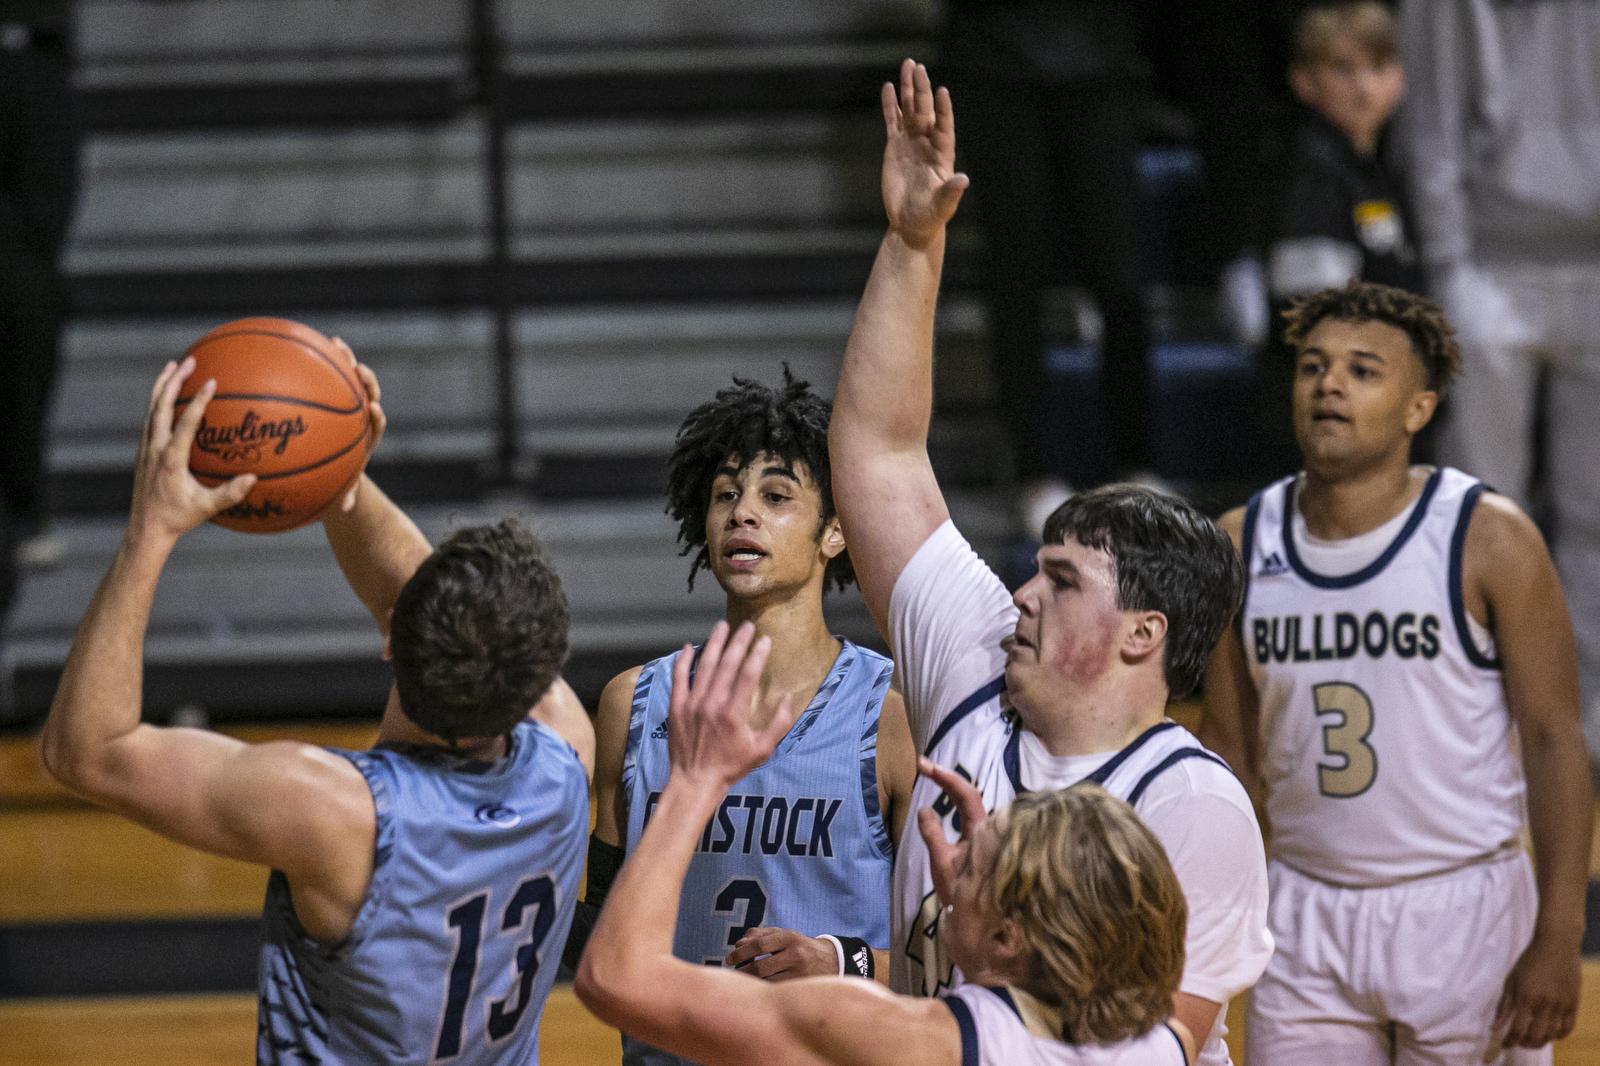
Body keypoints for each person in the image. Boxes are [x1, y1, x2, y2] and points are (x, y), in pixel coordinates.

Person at [828, 61, 1272, 1066]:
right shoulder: (976, 662)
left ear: (1143, 633)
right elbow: (877, 455)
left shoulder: (1189, 805)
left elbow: (1149, 1045)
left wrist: (981, 936)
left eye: (1062, 581)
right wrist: (910, 245)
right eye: (1039, 568)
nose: (1022, 591)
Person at [40, 351, 594, 1065]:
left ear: (390, 639)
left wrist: (150, 530)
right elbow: (435, 603)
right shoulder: (566, 755)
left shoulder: (335, 814)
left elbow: (84, 750)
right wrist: (336, 469)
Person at [1200, 281, 1591, 1063]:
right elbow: (1228, 757)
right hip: (1305, 909)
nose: (1329, 385)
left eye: (1362, 370)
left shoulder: (1489, 537)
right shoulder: (1240, 542)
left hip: (1464, 907)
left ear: (1420, 407)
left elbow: (1553, 741)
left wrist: (1559, 933)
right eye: (1312, 366)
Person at [576, 619, 1197, 1066]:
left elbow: (615, 978)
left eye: (976, 867)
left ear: (1011, 936)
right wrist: (979, 911)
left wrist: (693, 782)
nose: (948, 871)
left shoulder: (921, 1040)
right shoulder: (1163, 1043)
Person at [566, 371, 917, 1066]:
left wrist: (842, 963)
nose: (742, 514)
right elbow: (597, 935)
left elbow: (950, 961)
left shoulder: (891, 718)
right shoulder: (631, 704)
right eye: (725, 494)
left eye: (776, 496)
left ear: (836, 531)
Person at [1400, 0, 1600, 767]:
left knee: (1592, 517)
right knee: (1481, 511)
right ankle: (1480, 728)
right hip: (1486, 264)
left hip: (1589, 261)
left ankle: (1573, 728)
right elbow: (1432, 131)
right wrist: (1451, 270)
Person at [1260, 0, 1424, 476]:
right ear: (1303, 81)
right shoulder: (1313, 172)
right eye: (1342, 69)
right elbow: (1317, 320)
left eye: (1379, 67)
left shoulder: (1380, 170)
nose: (1364, 87)